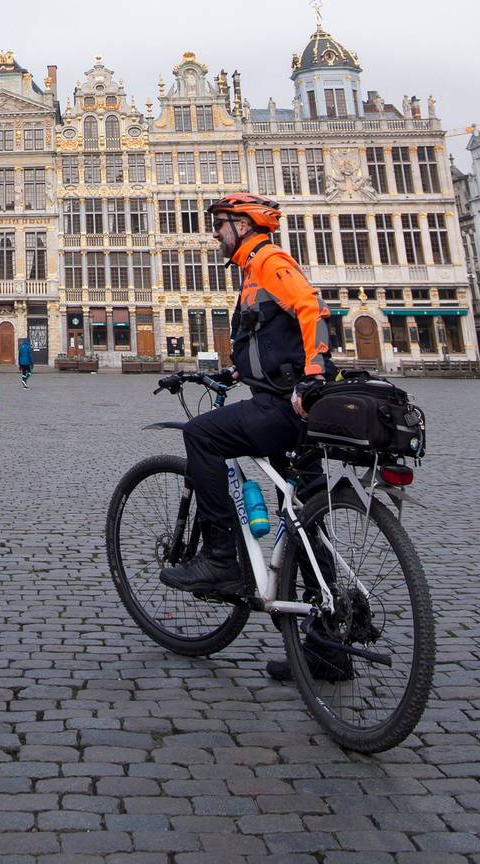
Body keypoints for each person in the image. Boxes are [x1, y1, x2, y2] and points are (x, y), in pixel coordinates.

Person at [158, 193, 348, 683]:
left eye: (221, 225)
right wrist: (232, 373)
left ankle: (221, 559)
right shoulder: (250, 274)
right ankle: (329, 645)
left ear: (242, 225)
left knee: (201, 435)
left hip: (285, 408)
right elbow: (269, 342)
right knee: (305, 518)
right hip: (287, 402)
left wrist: (314, 374)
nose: (215, 234)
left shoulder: (269, 261)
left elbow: (311, 311)